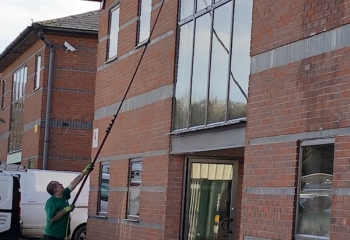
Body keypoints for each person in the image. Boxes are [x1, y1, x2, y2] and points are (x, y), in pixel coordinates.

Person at [42, 163, 93, 240]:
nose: (61, 184)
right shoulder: (51, 202)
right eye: (59, 184)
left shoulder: (64, 194)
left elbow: (74, 184)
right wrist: (65, 210)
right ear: (55, 190)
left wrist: (84, 172)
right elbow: (52, 219)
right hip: (51, 235)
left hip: (61, 235)